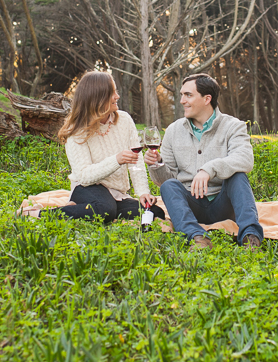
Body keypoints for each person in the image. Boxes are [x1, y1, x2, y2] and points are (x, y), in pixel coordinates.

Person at [22, 71, 165, 223]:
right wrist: (116, 160)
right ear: (97, 97)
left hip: (116, 193)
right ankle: (39, 214)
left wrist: (143, 192)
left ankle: (83, 209)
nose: (117, 96)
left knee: (154, 212)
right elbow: (84, 176)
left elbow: (136, 162)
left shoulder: (125, 120)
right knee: (104, 209)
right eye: (112, 93)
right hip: (87, 188)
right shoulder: (76, 130)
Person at [144, 74, 263, 250]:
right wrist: (157, 164)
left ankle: (250, 237)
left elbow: (245, 159)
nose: (182, 101)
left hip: (224, 205)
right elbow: (166, 179)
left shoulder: (233, 126)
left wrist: (209, 169)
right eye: (182, 95)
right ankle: (198, 237)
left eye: (188, 95)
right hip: (191, 207)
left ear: (207, 98)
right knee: (168, 186)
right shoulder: (173, 131)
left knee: (238, 176)